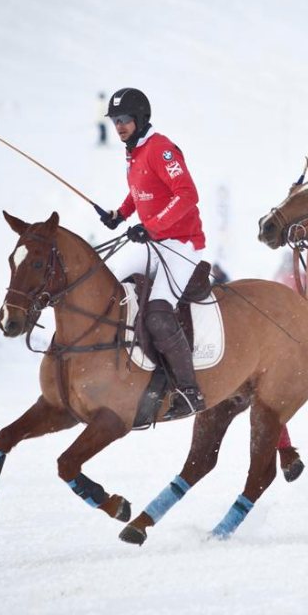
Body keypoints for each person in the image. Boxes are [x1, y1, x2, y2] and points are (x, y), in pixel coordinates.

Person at [96, 87, 207, 418]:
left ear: (141, 119)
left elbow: (187, 195)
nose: (119, 126)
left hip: (182, 244)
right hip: (154, 243)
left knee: (158, 312)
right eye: (115, 120)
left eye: (125, 119)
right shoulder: (133, 151)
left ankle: (189, 392)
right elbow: (140, 192)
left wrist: (153, 227)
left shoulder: (161, 149)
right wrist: (120, 214)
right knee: (108, 288)